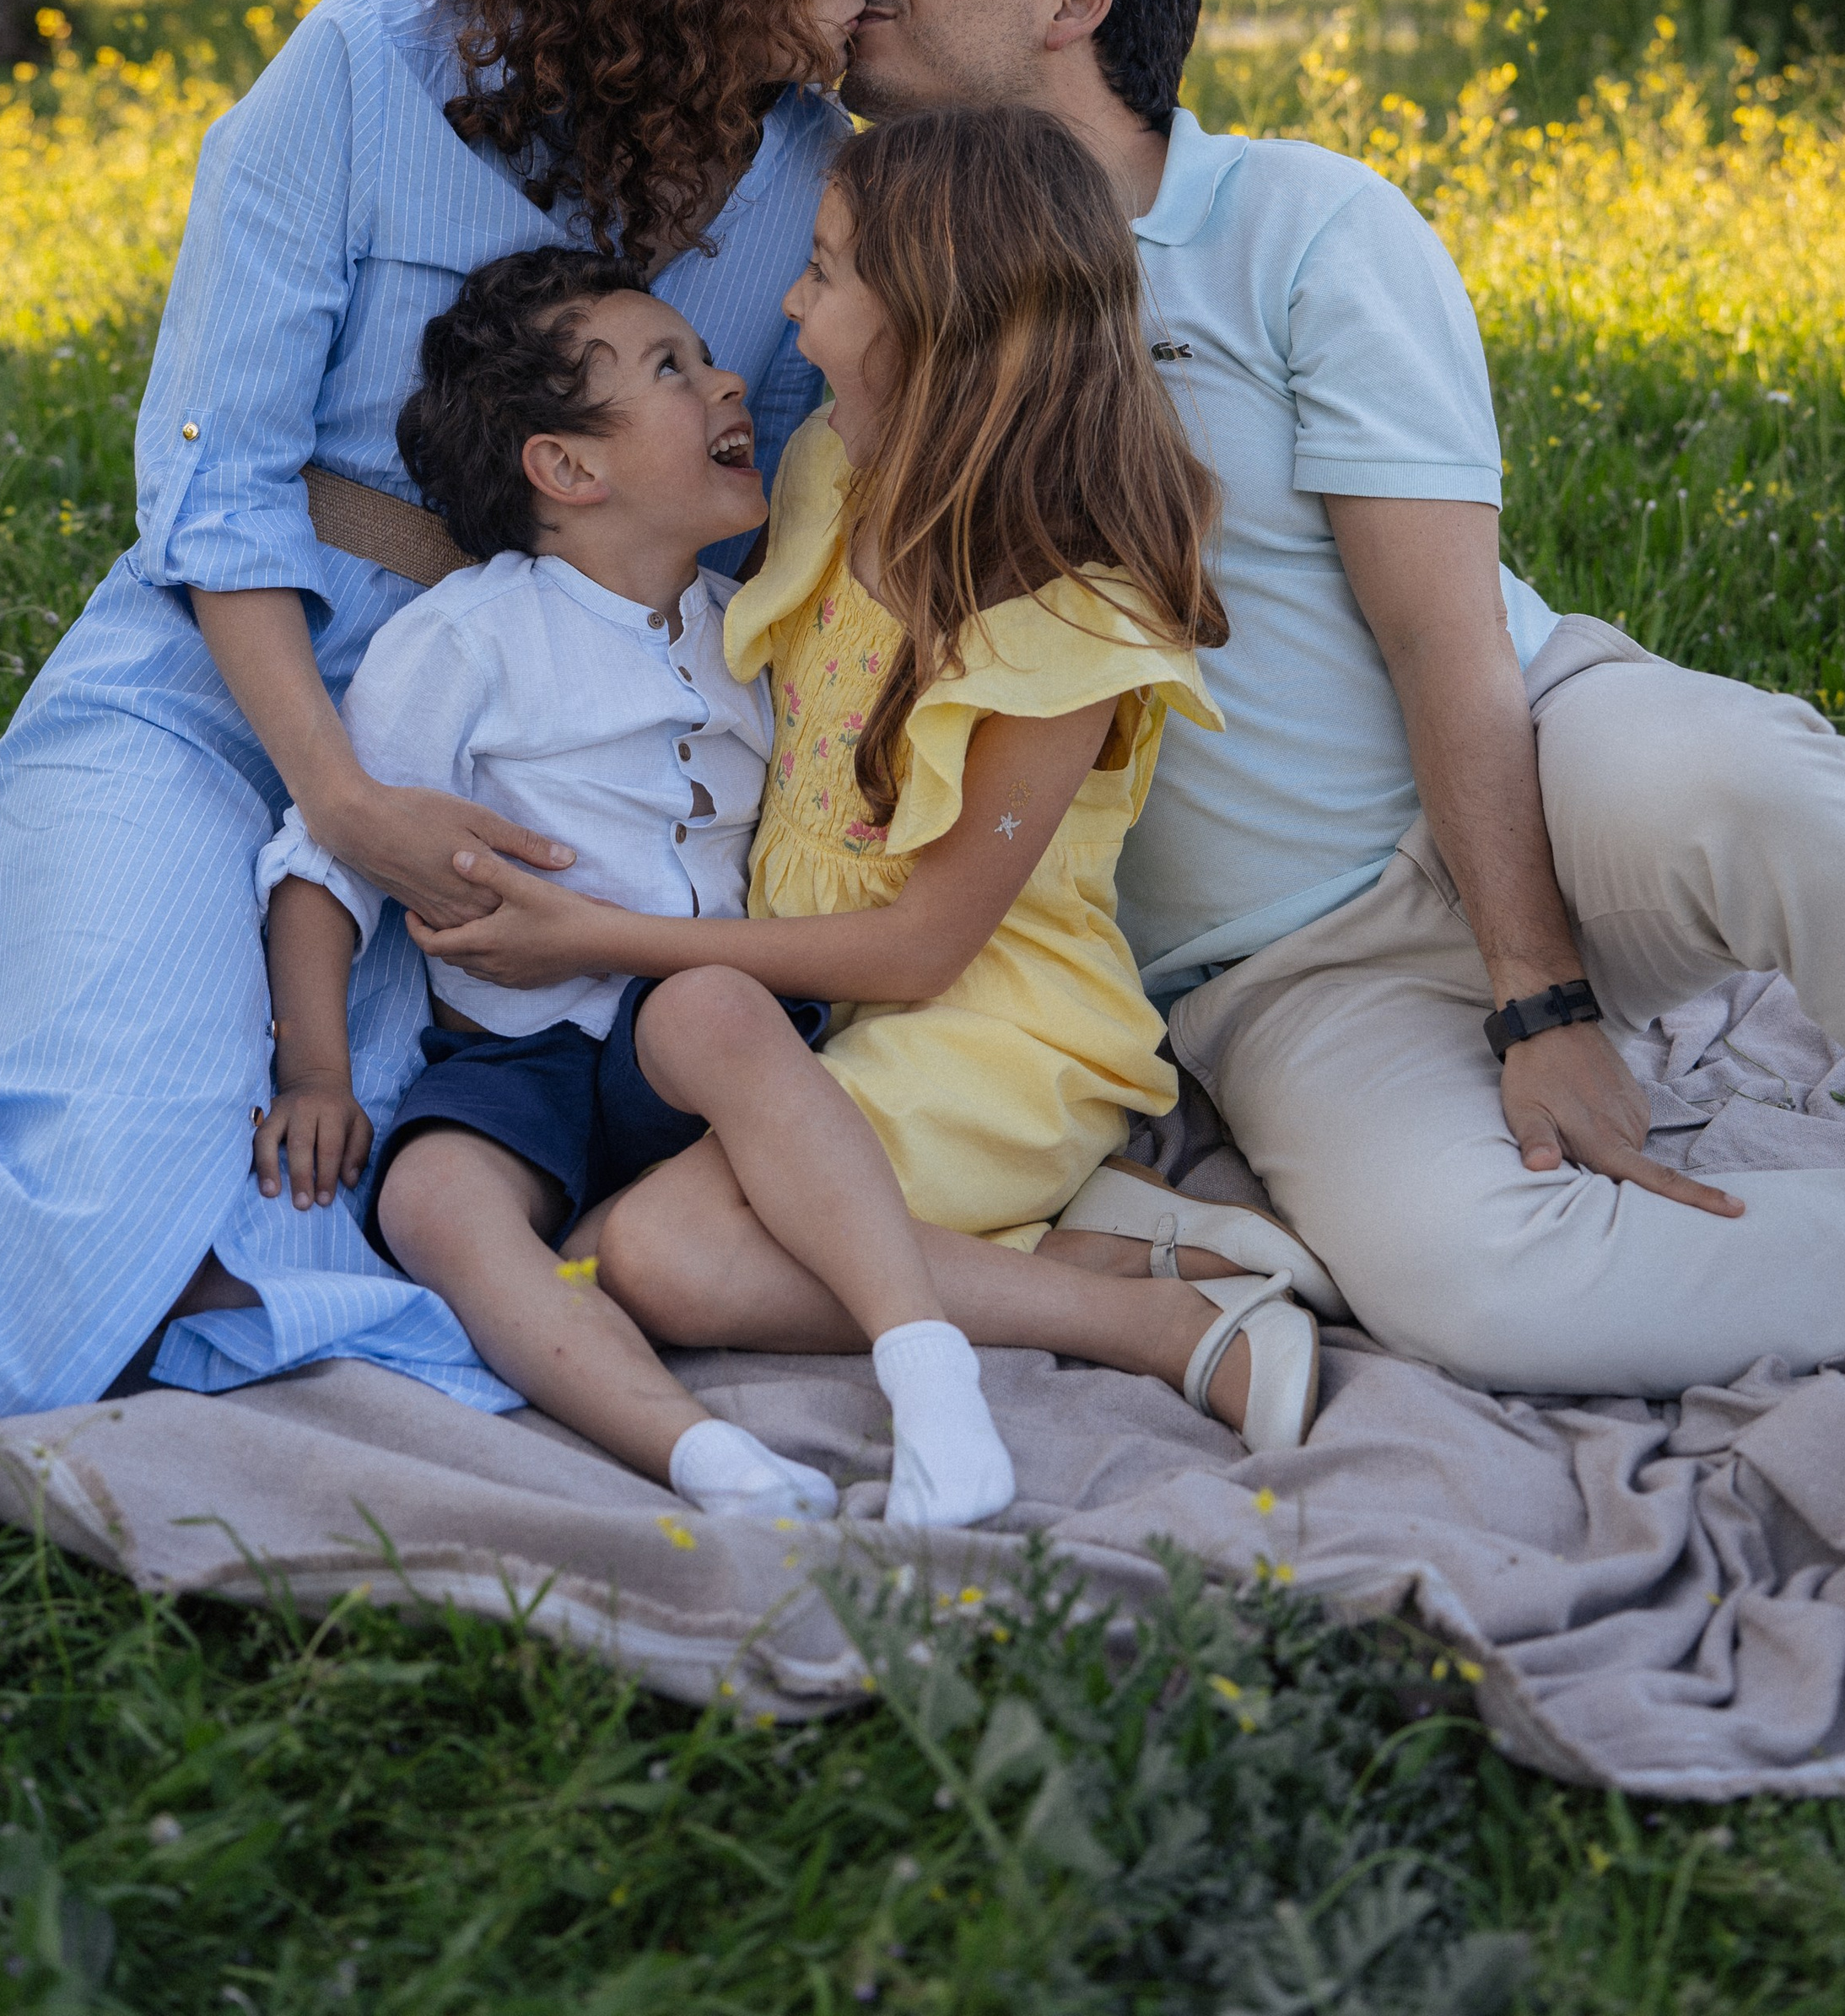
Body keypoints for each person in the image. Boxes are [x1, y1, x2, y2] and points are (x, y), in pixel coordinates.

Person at [742, 0, 1845, 1403]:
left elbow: (1441, 629)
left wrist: (1535, 994)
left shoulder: (1296, 221)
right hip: (1277, 973)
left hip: (1537, 773)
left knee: (1743, 783)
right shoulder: (871, 285)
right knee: (1487, 1296)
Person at [0, 0, 882, 1422]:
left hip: (510, 786)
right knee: (80, 1238)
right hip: (217, 708)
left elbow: (753, 513)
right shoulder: (358, 71)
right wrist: (335, 793)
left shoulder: (800, 176)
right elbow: (218, 483)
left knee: (323, 1216)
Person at [434, 106, 1325, 1450]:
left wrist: (594, 936)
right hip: (820, 1027)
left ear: (936, 320)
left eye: (828, 271)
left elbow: (924, 947)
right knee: (600, 1245)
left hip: (1001, 1033)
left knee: (660, 1259)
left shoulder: (1067, 627)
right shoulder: (828, 477)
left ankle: (1150, 1322)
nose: (787, 307)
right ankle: (1098, 1251)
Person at [253, 240, 1022, 1528]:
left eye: (704, 359)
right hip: (513, 1055)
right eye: (673, 367)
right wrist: (318, 1073)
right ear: (566, 468)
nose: (728, 384)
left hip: (697, 1035)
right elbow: (329, 857)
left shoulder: (754, 626)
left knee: (709, 1003)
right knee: (432, 1198)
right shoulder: (466, 640)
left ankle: (926, 1365)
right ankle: (698, 1457)